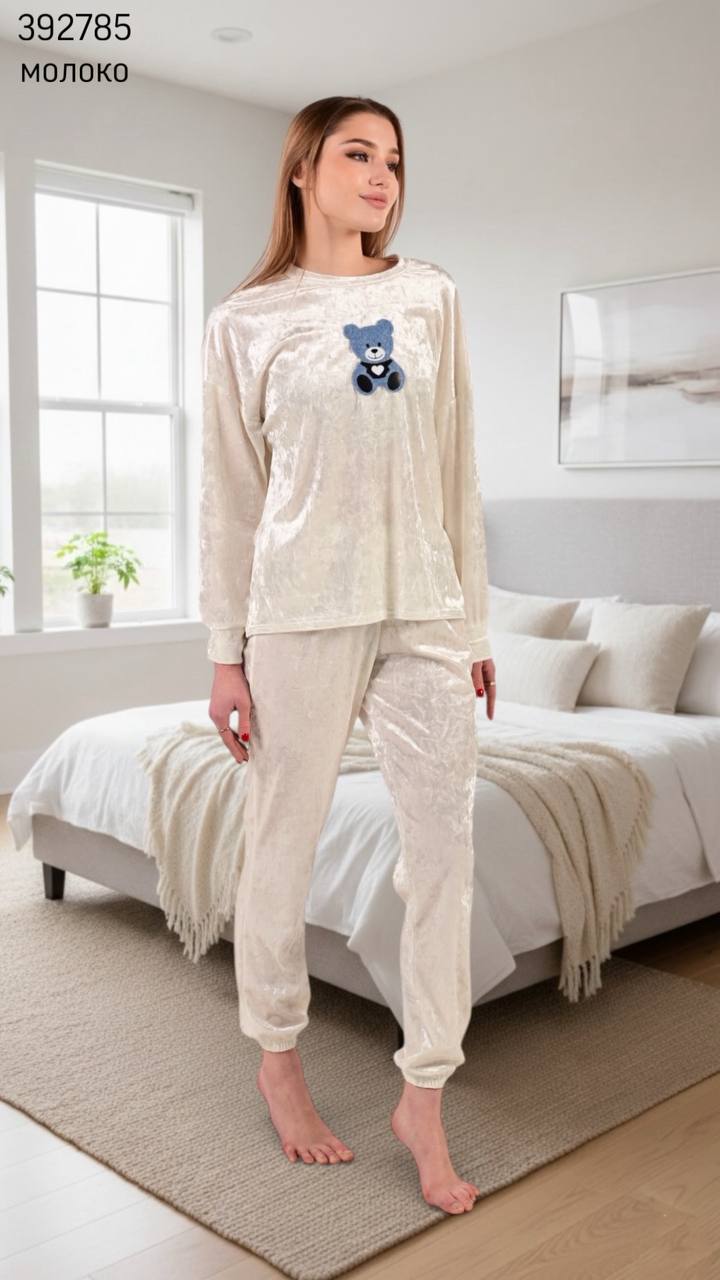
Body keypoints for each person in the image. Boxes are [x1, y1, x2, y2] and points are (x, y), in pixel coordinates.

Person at [199, 94, 497, 1215]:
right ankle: (279, 1057)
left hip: (423, 608)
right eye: (358, 154)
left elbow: (457, 465)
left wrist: (474, 627)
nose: (382, 176)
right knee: (282, 841)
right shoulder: (247, 319)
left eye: (395, 161)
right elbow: (231, 499)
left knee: (445, 852)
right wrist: (225, 653)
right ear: (302, 169)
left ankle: (425, 1092)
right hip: (298, 609)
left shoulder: (430, 297)